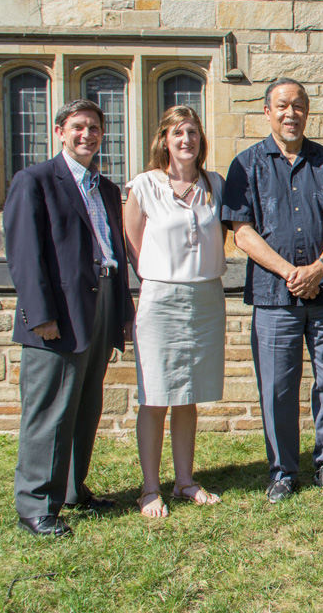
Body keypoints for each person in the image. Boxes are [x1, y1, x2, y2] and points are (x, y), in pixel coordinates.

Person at [222, 78, 323, 502]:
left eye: (298, 105)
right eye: (282, 106)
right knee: (278, 387)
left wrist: (319, 267)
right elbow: (241, 232)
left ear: (307, 111)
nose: (290, 113)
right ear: (268, 112)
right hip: (274, 297)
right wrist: (290, 273)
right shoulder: (245, 165)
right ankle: (282, 470)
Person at [4, 99, 134, 537]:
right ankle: (37, 504)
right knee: (49, 409)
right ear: (59, 131)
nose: (87, 135)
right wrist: (39, 315)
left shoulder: (107, 188)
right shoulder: (35, 181)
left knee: (84, 404)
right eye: (78, 127)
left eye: (94, 127)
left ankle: (74, 490)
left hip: (99, 305)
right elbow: (24, 255)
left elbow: (114, 254)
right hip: (57, 314)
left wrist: (123, 311)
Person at [124, 106, 227, 518]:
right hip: (161, 299)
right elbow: (133, 244)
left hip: (205, 299)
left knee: (188, 395)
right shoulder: (145, 186)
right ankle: (150, 488)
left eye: (194, 133)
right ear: (164, 139)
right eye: (179, 133)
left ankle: (185, 480)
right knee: (155, 395)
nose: (187, 140)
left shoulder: (214, 184)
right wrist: (161, 275)